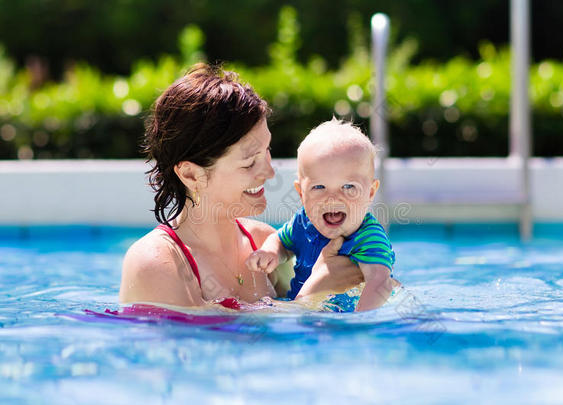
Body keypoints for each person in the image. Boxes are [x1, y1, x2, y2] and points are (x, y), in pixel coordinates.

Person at [119, 64, 363, 309]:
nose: (269, 172)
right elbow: (199, 342)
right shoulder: (157, 262)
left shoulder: (265, 242)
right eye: (249, 163)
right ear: (191, 175)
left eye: (267, 151)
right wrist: (315, 292)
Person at [245, 118, 395, 311]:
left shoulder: (368, 237)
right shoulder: (303, 222)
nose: (332, 198)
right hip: (303, 312)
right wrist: (271, 252)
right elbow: (280, 240)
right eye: (319, 187)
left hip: (344, 323)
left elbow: (380, 284)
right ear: (301, 193)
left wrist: (359, 321)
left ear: (371, 193)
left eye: (348, 186)